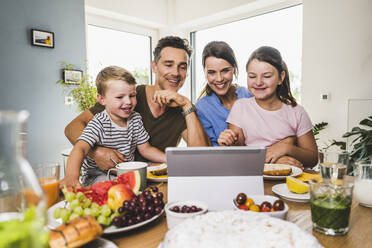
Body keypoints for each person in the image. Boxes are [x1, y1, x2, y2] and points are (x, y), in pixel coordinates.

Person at [64, 36, 209, 171]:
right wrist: (96, 152)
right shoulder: (128, 97)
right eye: (168, 64)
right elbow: (72, 128)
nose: (176, 73)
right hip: (113, 176)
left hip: (155, 180)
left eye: (182, 67)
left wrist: (186, 104)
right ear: (154, 67)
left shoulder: (184, 109)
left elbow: (201, 157)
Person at [196, 41, 302, 167]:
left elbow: (278, 130)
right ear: (205, 73)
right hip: (228, 168)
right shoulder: (201, 108)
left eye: (225, 70)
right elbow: (209, 155)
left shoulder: (252, 94)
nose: (219, 79)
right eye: (212, 72)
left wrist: (287, 143)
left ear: (234, 69)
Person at [61, 66, 166, 187]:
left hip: (124, 173)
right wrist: (71, 177)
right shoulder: (99, 122)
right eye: (120, 97)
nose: (128, 102)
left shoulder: (135, 118)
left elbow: (146, 149)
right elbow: (80, 148)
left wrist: (168, 159)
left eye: (132, 95)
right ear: (102, 99)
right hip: (98, 176)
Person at [218, 46, 318, 168]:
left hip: (289, 182)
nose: (258, 82)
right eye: (252, 76)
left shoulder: (297, 112)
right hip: (254, 178)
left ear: (281, 77)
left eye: (266, 76)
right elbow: (238, 155)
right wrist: (229, 143)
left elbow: (313, 159)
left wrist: (286, 148)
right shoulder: (241, 107)